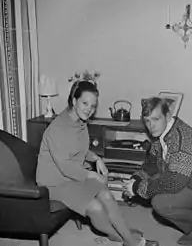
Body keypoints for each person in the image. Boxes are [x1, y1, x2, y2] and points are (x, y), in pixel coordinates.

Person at [36, 79, 158, 246]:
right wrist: (91, 175)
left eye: (93, 106)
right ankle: (122, 237)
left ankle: (125, 236)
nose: (89, 110)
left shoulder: (79, 122)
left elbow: (78, 149)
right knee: (96, 208)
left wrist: (96, 159)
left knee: (106, 195)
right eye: (85, 103)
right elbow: (65, 167)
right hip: (55, 182)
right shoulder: (58, 128)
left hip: (72, 175)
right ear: (74, 101)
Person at [123, 97, 192, 245]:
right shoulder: (161, 135)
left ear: (168, 115)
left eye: (156, 119)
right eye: (147, 121)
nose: (151, 126)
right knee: (156, 184)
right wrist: (135, 179)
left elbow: (174, 182)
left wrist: (138, 188)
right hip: (188, 183)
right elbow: (150, 164)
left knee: (161, 203)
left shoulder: (184, 138)